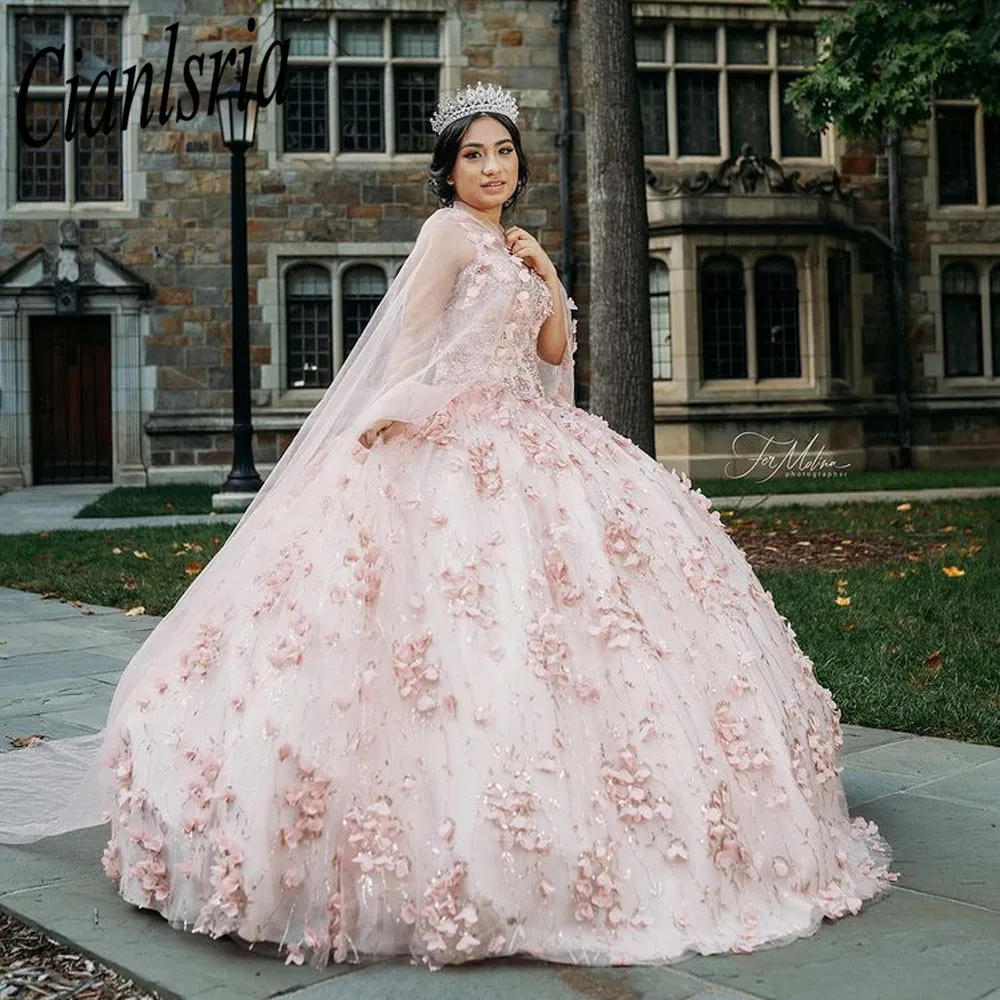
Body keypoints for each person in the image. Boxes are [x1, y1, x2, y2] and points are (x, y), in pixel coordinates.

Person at [0, 82, 895, 972]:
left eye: (504, 151)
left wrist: (544, 274)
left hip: (532, 431)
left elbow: (550, 356)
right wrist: (408, 410)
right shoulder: (444, 236)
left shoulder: (510, 244)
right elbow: (414, 344)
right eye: (474, 155)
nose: (493, 167)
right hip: (453, 433)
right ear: (449, 170)